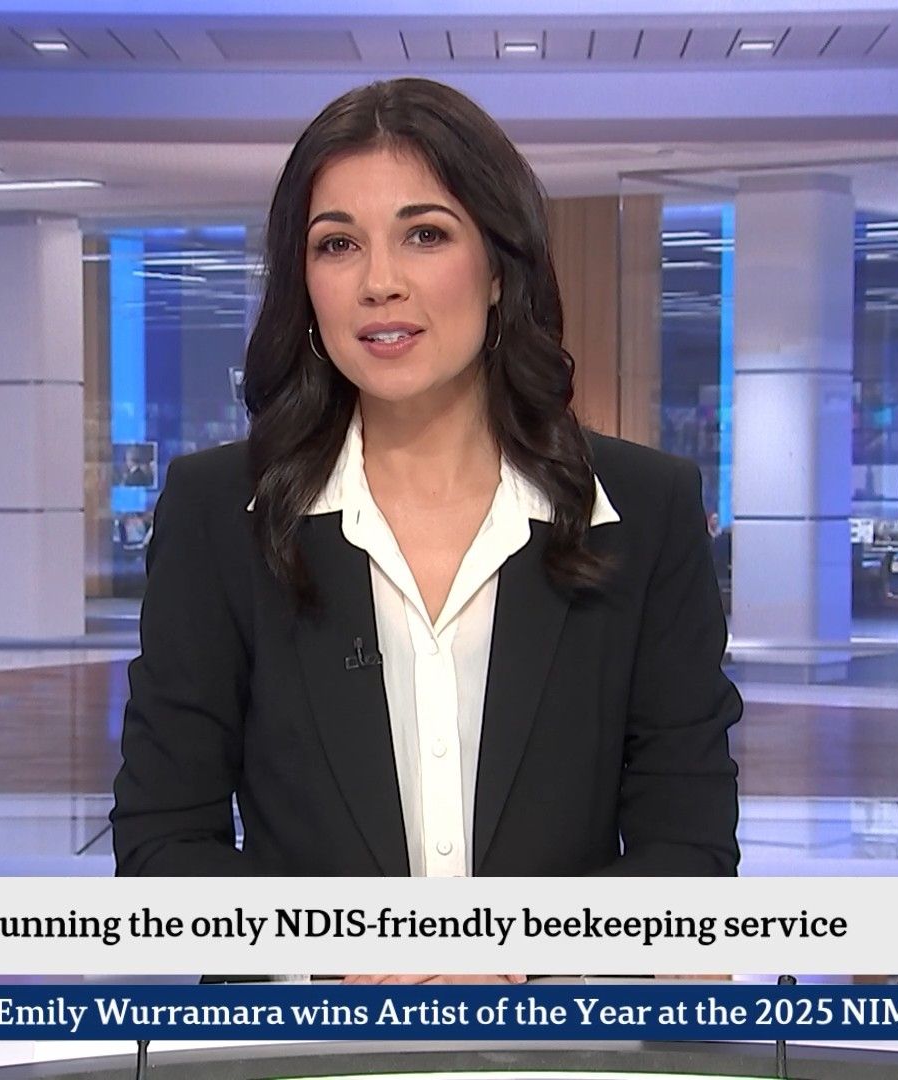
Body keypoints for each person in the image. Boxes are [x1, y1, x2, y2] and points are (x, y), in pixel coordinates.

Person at [110, 79, 744, 964]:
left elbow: (690, 853)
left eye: (425, 234)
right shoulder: (220, 512)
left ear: (499, 269)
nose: (380, 283)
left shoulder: (644, 509)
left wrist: (516, 957)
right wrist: (343, 951)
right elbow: (162, 844)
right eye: (337, 244)